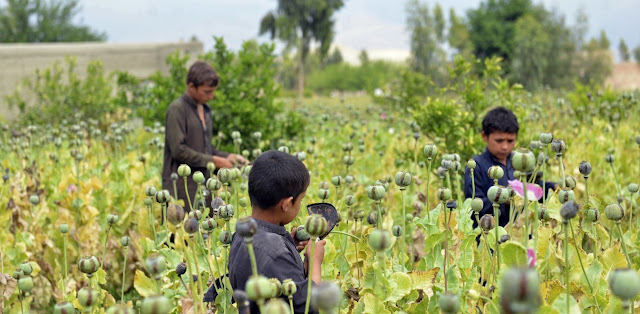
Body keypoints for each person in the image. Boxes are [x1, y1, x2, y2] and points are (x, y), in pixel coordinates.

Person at [203, 150, 325, 313]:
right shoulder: (276, 253)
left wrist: (290, 249)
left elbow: (263, 265)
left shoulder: (241, 233)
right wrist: (315, 262)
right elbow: (308, 307)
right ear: (287, 204)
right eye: (301, 200)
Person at [162, 61, 245, 211]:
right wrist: (214, 161)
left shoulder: (206, 110)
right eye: (207, 92)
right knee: (185, 232)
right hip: (182, 188)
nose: (211, 96)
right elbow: (179, 150)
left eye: (213, 91)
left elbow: (206, 148)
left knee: (206, 229)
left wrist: (228, 157)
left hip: (204, 186)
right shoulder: (177, 109)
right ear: (191, 86)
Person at [464, 107, 554, 229]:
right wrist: (503, 199)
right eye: (499, 140)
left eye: (510, 140)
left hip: (519, 232)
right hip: (488, 236)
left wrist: (553, 189)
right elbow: (473, 204)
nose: (505, 147)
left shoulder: (519, 162)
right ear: (484, 136)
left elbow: (531, 187)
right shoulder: (476, 166)